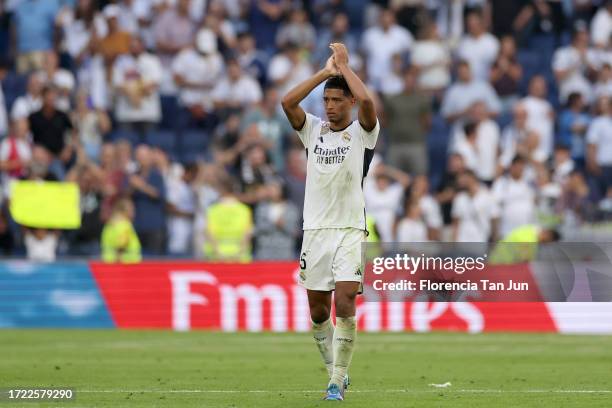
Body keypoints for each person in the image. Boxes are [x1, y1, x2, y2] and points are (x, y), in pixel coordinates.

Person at [281, 42, 379, 401]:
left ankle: (335, 382)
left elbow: (368, 104)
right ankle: (336, 368)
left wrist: (345, 67)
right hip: (315, 232)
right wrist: (325, 72)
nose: (331, 106)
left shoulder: (362, 133)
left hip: (350, 229)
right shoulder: (313, 131)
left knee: (346, 300)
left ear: (349, 102)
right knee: (318, 311)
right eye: (327, 101)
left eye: (338, 100)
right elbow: (287, 103)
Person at [101, 197, 142, 263]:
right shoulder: (125, 225)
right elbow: (121, 245)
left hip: (108, 262)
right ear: (123, 211)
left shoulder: (108, 225)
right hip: (126, 264)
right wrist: (118, 262)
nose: (134, 213)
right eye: (131, 210)